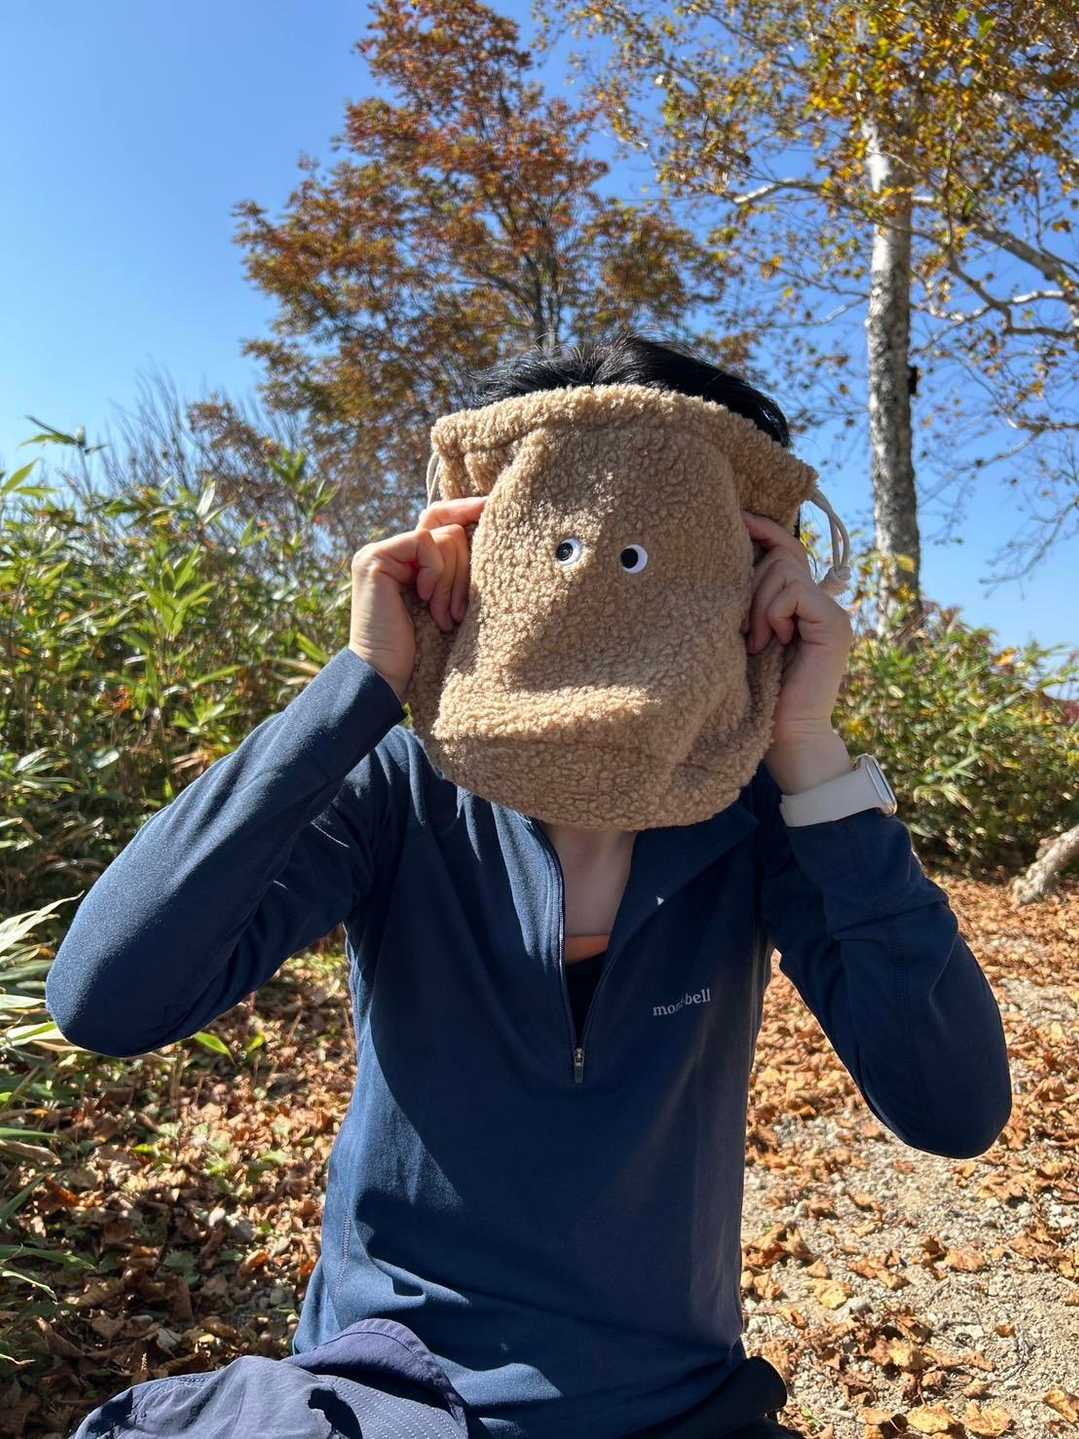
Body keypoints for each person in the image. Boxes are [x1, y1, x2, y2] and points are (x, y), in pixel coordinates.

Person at [47, 330, 1013, 1439]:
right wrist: (360, 686)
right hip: (393, 1388)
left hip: (677, 1405)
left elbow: (952, 1106)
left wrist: (806, 746)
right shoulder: (400, 785)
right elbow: (106, 996)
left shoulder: (763, 814)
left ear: (753, 565)